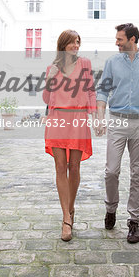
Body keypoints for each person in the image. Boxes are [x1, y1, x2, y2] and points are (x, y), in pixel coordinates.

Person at [96, 23, 139, 243]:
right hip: (116, 122)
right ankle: (111, 208)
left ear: (132, 39)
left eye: (120, 39)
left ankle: (134, 221)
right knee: (111, 171)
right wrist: (99, 117)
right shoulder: (112, 62)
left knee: (137, 174)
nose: (116, 43)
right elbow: (102, 91)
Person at [43, 30, 96, 241]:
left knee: (74, 167)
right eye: (73, 42)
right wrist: (49, 78)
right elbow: (47, 98)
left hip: (78, 119)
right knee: (60, 166)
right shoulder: (52, 68)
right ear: (63, 45)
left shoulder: (85, 64)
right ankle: (66, 218)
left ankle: (71, 208)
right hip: (57, 119)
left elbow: (91, 91)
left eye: (78, 42)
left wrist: (95, 115)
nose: (76, 45)